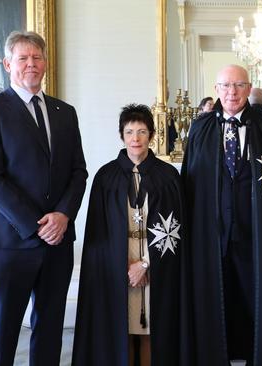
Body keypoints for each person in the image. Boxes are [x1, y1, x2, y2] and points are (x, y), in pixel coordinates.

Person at [0, 30, 88, 365]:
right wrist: (37, 225)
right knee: (2, 335)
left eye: (37, 58)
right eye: (23, 58)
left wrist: (63, 215)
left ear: (46, 63)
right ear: (7, 64)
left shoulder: (66, 112)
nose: (31, 64)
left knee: (49, 332)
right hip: (10, 242)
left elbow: (79, 172)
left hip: (58, 242)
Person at [181, 64, 262, 365]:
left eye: (239, 85)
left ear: (248, 88)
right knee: (218, 301)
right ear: (216, 90)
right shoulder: (200, 128)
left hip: (257, 232)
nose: (232, 92)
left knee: (253, 299)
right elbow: (190, 183)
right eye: (226, 86)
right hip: (213, 233)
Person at [73, 104, 185, 366]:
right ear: (121, 135)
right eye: (130, 131)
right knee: (121, 329)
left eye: (142, 131)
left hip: (155, 262)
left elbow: (176, 230)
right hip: (117, 265)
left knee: (149, 330)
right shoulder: (106, 177)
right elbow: (98, 232)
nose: (135, 138)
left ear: (152, 135)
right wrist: (124, 265)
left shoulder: (168, 176)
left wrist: (145, 264)